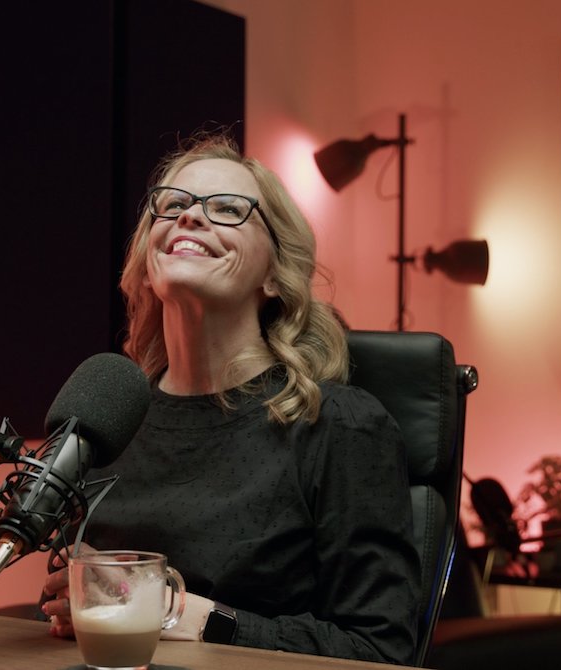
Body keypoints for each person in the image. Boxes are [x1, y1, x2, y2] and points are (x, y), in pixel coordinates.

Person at [41, 134, 420, 665]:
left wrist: (192, 617)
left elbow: (379, 650)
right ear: (148, 260)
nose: (189, 218)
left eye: (227, 209)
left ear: (274, 274)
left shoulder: (340, 425)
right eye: (171, 206)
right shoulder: (110, 419)